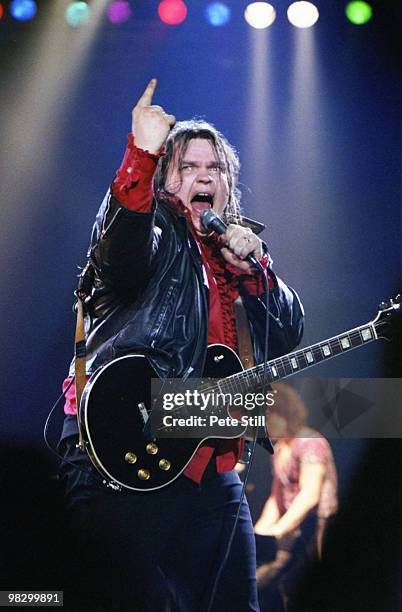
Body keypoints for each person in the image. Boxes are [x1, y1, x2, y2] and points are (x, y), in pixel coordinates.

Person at [58, 79, 304, 611]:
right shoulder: (156, 232)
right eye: (187, 167)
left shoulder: (236, 251)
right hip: (134, 449)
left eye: (213, 169)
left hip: (212, 466)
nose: (203, 177)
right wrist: (142, 154)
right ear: (166, 183)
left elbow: (286, 335)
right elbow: (119, 256)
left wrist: (259, 273)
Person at [254, 383, 338, 612]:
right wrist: (259, 533)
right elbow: (275, 497)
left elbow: (310, 495)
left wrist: (278, 530)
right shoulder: (281, 448)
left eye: (267, 417)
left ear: (282, 413)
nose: (264, 426)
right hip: (294, 525)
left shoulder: (310, 442)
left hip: (316, 525)